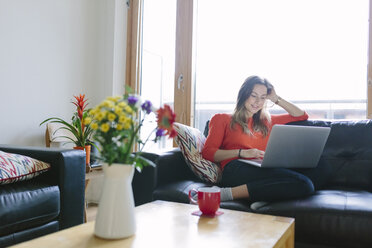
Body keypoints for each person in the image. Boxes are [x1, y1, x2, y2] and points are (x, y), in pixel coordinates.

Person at [202, 75, 314, 203]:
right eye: (253, 95)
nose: (257, 102)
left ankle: (263, 196)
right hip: (236, 168)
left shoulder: (267, 122)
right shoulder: (222, 118)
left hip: (262, 167)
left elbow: (301, 116)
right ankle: (226, 194)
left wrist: (275, 98)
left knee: (321, 170)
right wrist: (241, 152)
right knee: (305, 184)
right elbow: (208, 153)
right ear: (244, 94)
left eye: (262, 98)